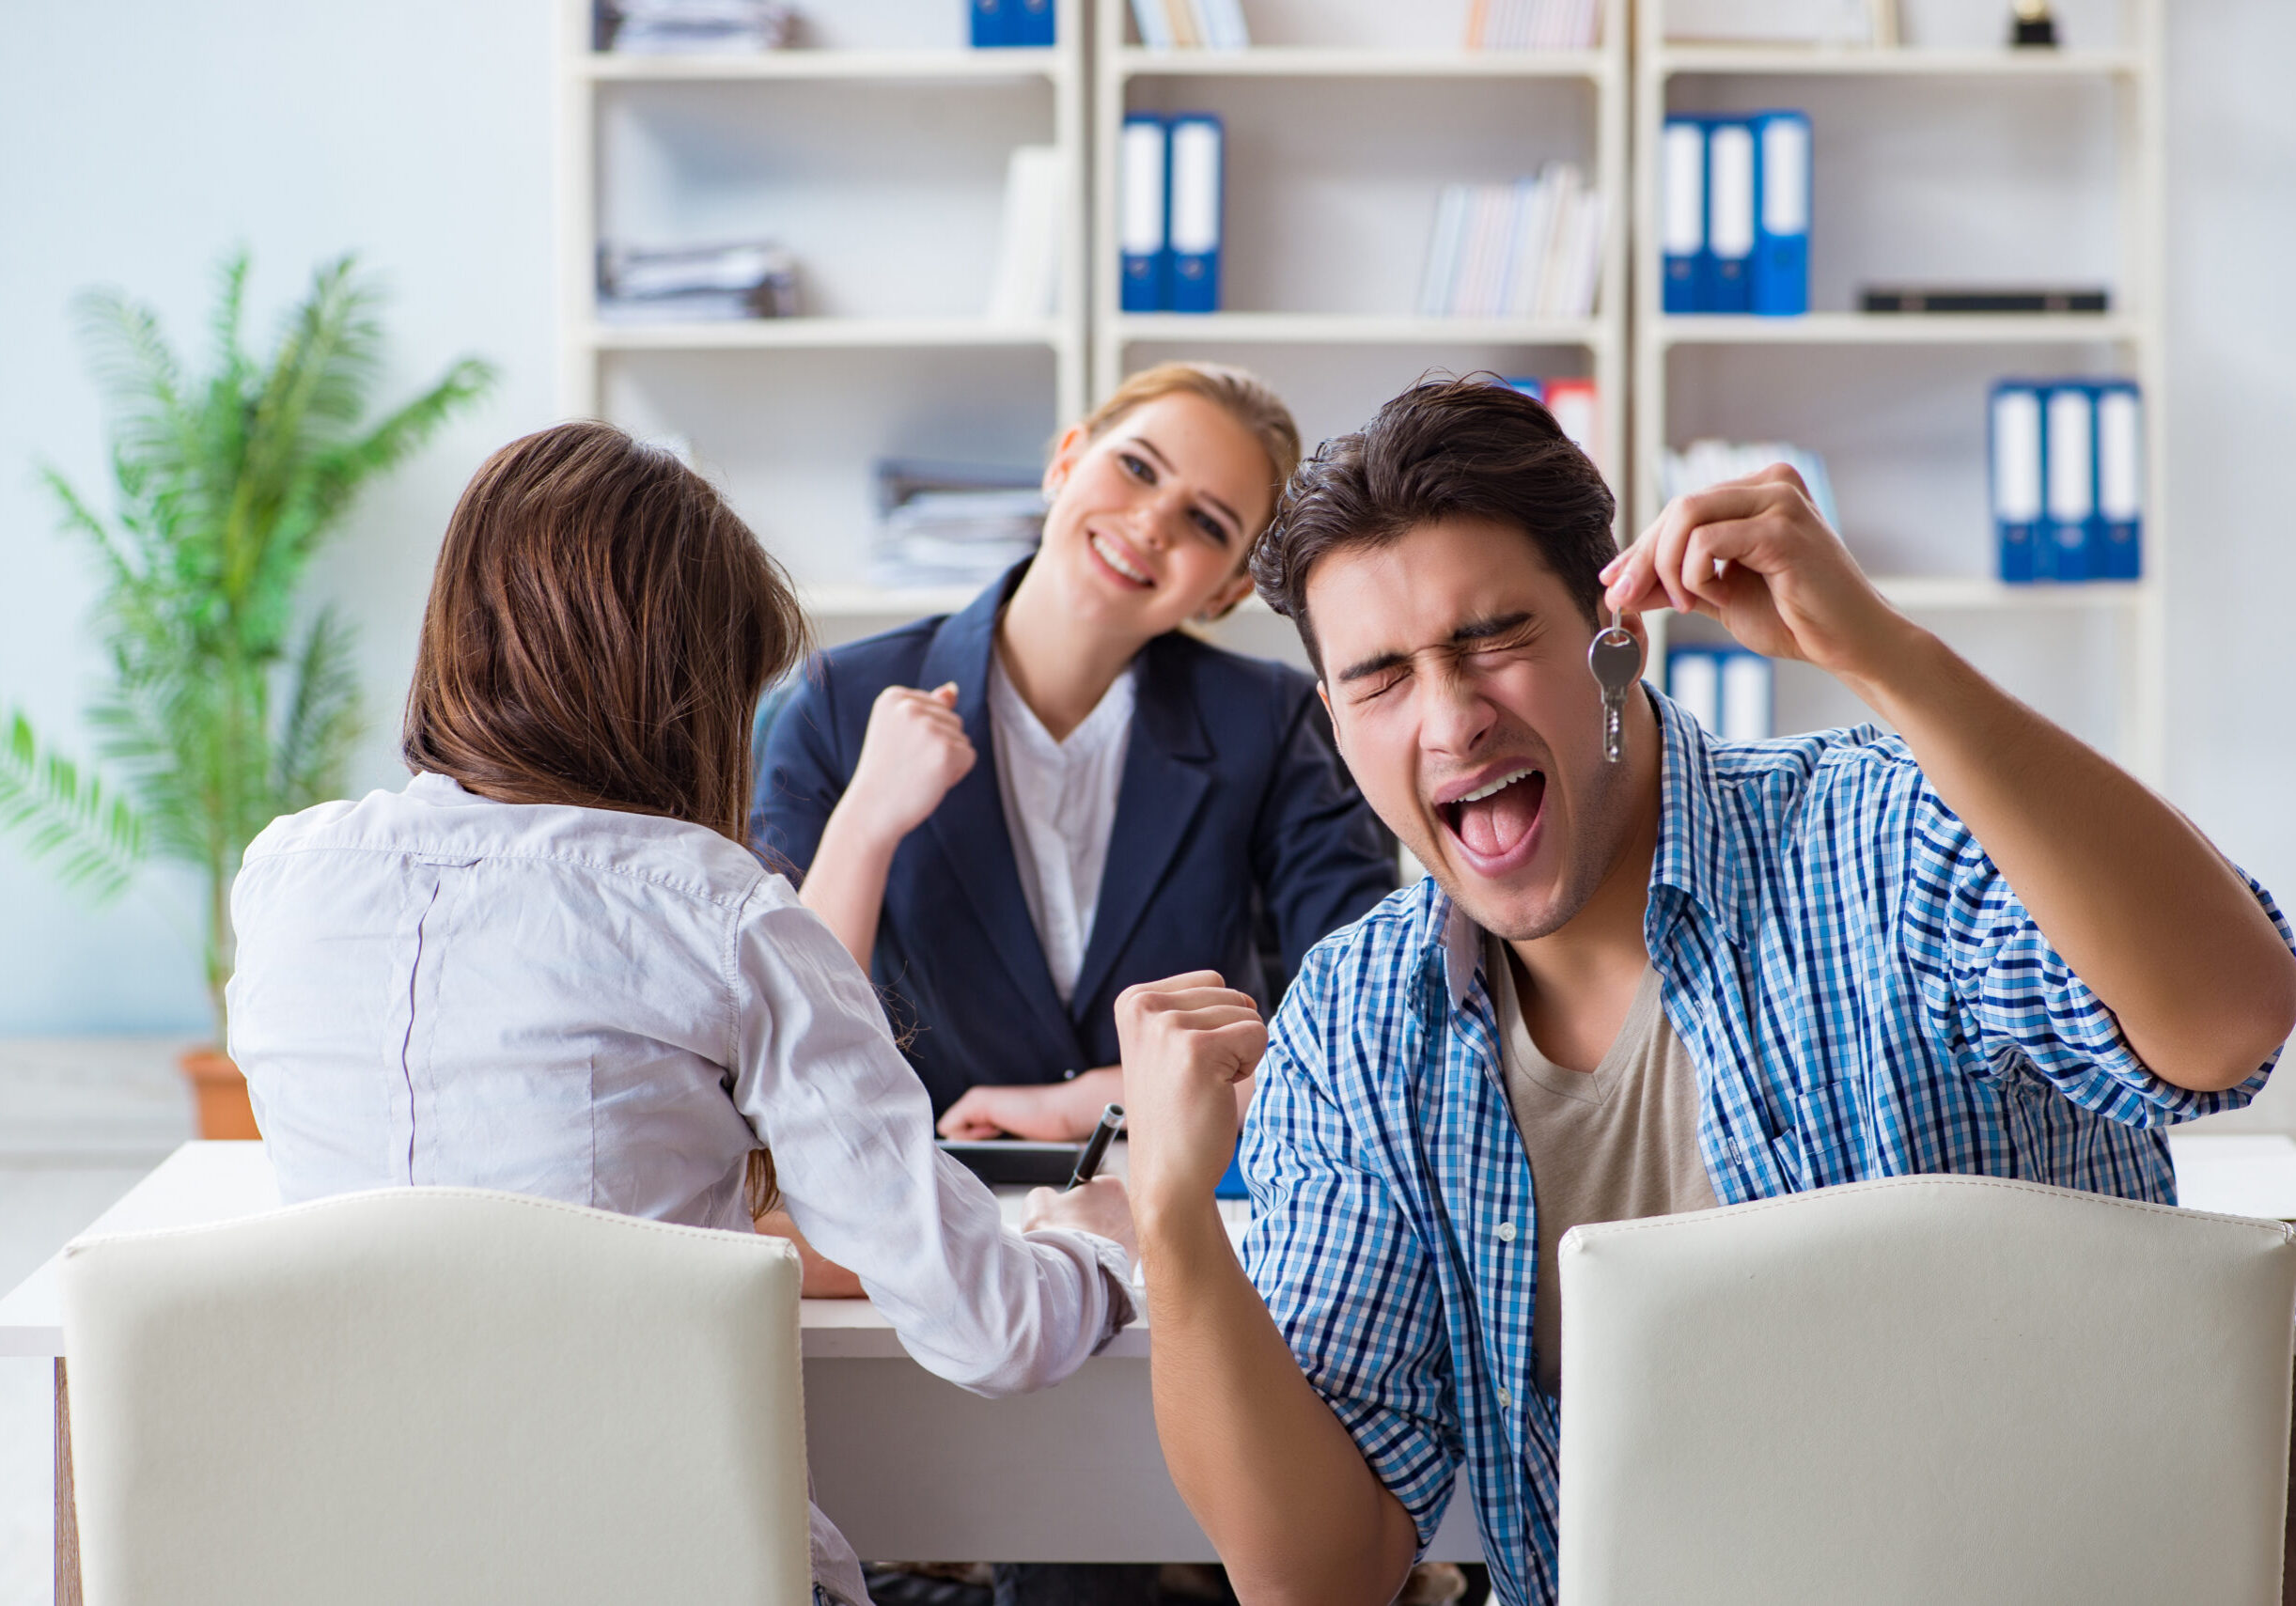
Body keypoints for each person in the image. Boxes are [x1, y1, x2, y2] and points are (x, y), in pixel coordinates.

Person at [1114, 377, 2296, 1606]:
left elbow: (2227, 1022)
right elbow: (1317, 1578)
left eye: (1492, 638)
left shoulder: (1879, 838)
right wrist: (1175, 1220)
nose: (1450, 718)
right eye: (1380, 678)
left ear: (1610, 630)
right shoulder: (1356, 1027)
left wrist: (1882, 656)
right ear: (1334, 724)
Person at [226, 422, 1137, 1606]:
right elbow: (994, 1329)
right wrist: (1106, 1239)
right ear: (684, 693)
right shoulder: (712, 912)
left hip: (352, 1564)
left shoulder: (286, 876)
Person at [751, 361, 1392, 1156]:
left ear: (1224, 592)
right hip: (912, 1197)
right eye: (1135, 467)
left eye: (1207, 523)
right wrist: (867, 822)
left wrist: (1097, 1102)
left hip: (1175, 1190)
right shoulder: (839, 700)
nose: (1153, 521)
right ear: (1063, 462)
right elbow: (774, 1038)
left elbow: (1363, 1024)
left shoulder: (1271, 721)